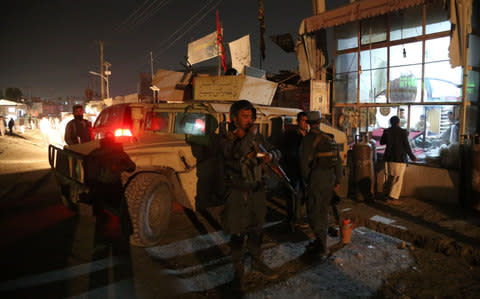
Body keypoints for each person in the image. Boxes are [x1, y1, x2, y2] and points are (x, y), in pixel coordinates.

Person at [221, 100, 280, 288]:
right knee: (237, 230)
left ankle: (256, 260)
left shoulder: (257, 138)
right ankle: (238, 267)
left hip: (256, 190)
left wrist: (272, 156)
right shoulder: (228, 139)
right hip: (237, 191)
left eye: (251, 116)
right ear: (234, 118)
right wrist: (250, 137)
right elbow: (236, 155)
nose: (249, 120)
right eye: (245, 116)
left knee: (257, 228)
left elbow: (276, 151)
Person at [299, 111, 342, 260]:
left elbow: (304, 165)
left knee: (313, 211)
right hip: (329, 178)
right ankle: (320, 242)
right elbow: (338, 161)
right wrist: (338, 180)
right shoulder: (329, 138)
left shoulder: (307, 140)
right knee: (324, 211)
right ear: (320, 121)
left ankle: (321, 245)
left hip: (315, 179)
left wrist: (307, 181)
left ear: (308, 123)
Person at [380, 116, 417, 205]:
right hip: (399, 158)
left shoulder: (387, 131)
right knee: (398, 178)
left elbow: (382, 142)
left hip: (388, 158)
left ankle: (386, 195)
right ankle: (392, 198)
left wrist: (386, 135)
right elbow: (406, 146)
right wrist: (412, 157)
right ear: (398, 122)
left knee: (389, 177)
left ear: (390, 123)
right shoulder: (403, 132)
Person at [282, 111, 309, 229]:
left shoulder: (308, 136)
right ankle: (293, 218)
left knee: (303, 195)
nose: (305, 123)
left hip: (305, 170)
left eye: (307, 121)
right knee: (294, 195)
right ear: (298, 121)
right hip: (294, 169)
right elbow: (288, 152)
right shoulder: (291, 135)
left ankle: (299, 216)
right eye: (303, 120)